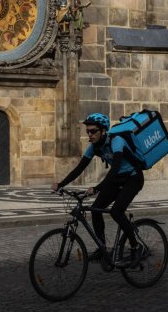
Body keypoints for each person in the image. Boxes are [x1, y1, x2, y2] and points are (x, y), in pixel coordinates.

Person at [51, 113, 145, 268]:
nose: (90, 134)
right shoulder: (94, 147)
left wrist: (96, 188)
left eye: (93, 131)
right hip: (117, 179)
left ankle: (136, 247)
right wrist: (61, 184)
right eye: (88, 131)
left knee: (116, 212)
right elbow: (80, 168)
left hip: (133, 178)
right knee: (96, 209)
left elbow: (115, 168)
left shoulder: (117, 141)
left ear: (103, 131)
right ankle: (102, 248)